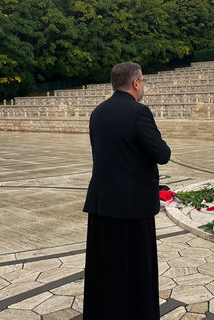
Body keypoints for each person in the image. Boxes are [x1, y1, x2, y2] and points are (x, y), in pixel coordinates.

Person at [82, 61, 171, 319]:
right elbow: (162, 154)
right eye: (142, 81)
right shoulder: (139, 112)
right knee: (135, 272)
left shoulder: (97, 112)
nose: (142, 86)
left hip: (102, 204)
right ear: (135, 82)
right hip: (131, 208)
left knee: (105, 270)